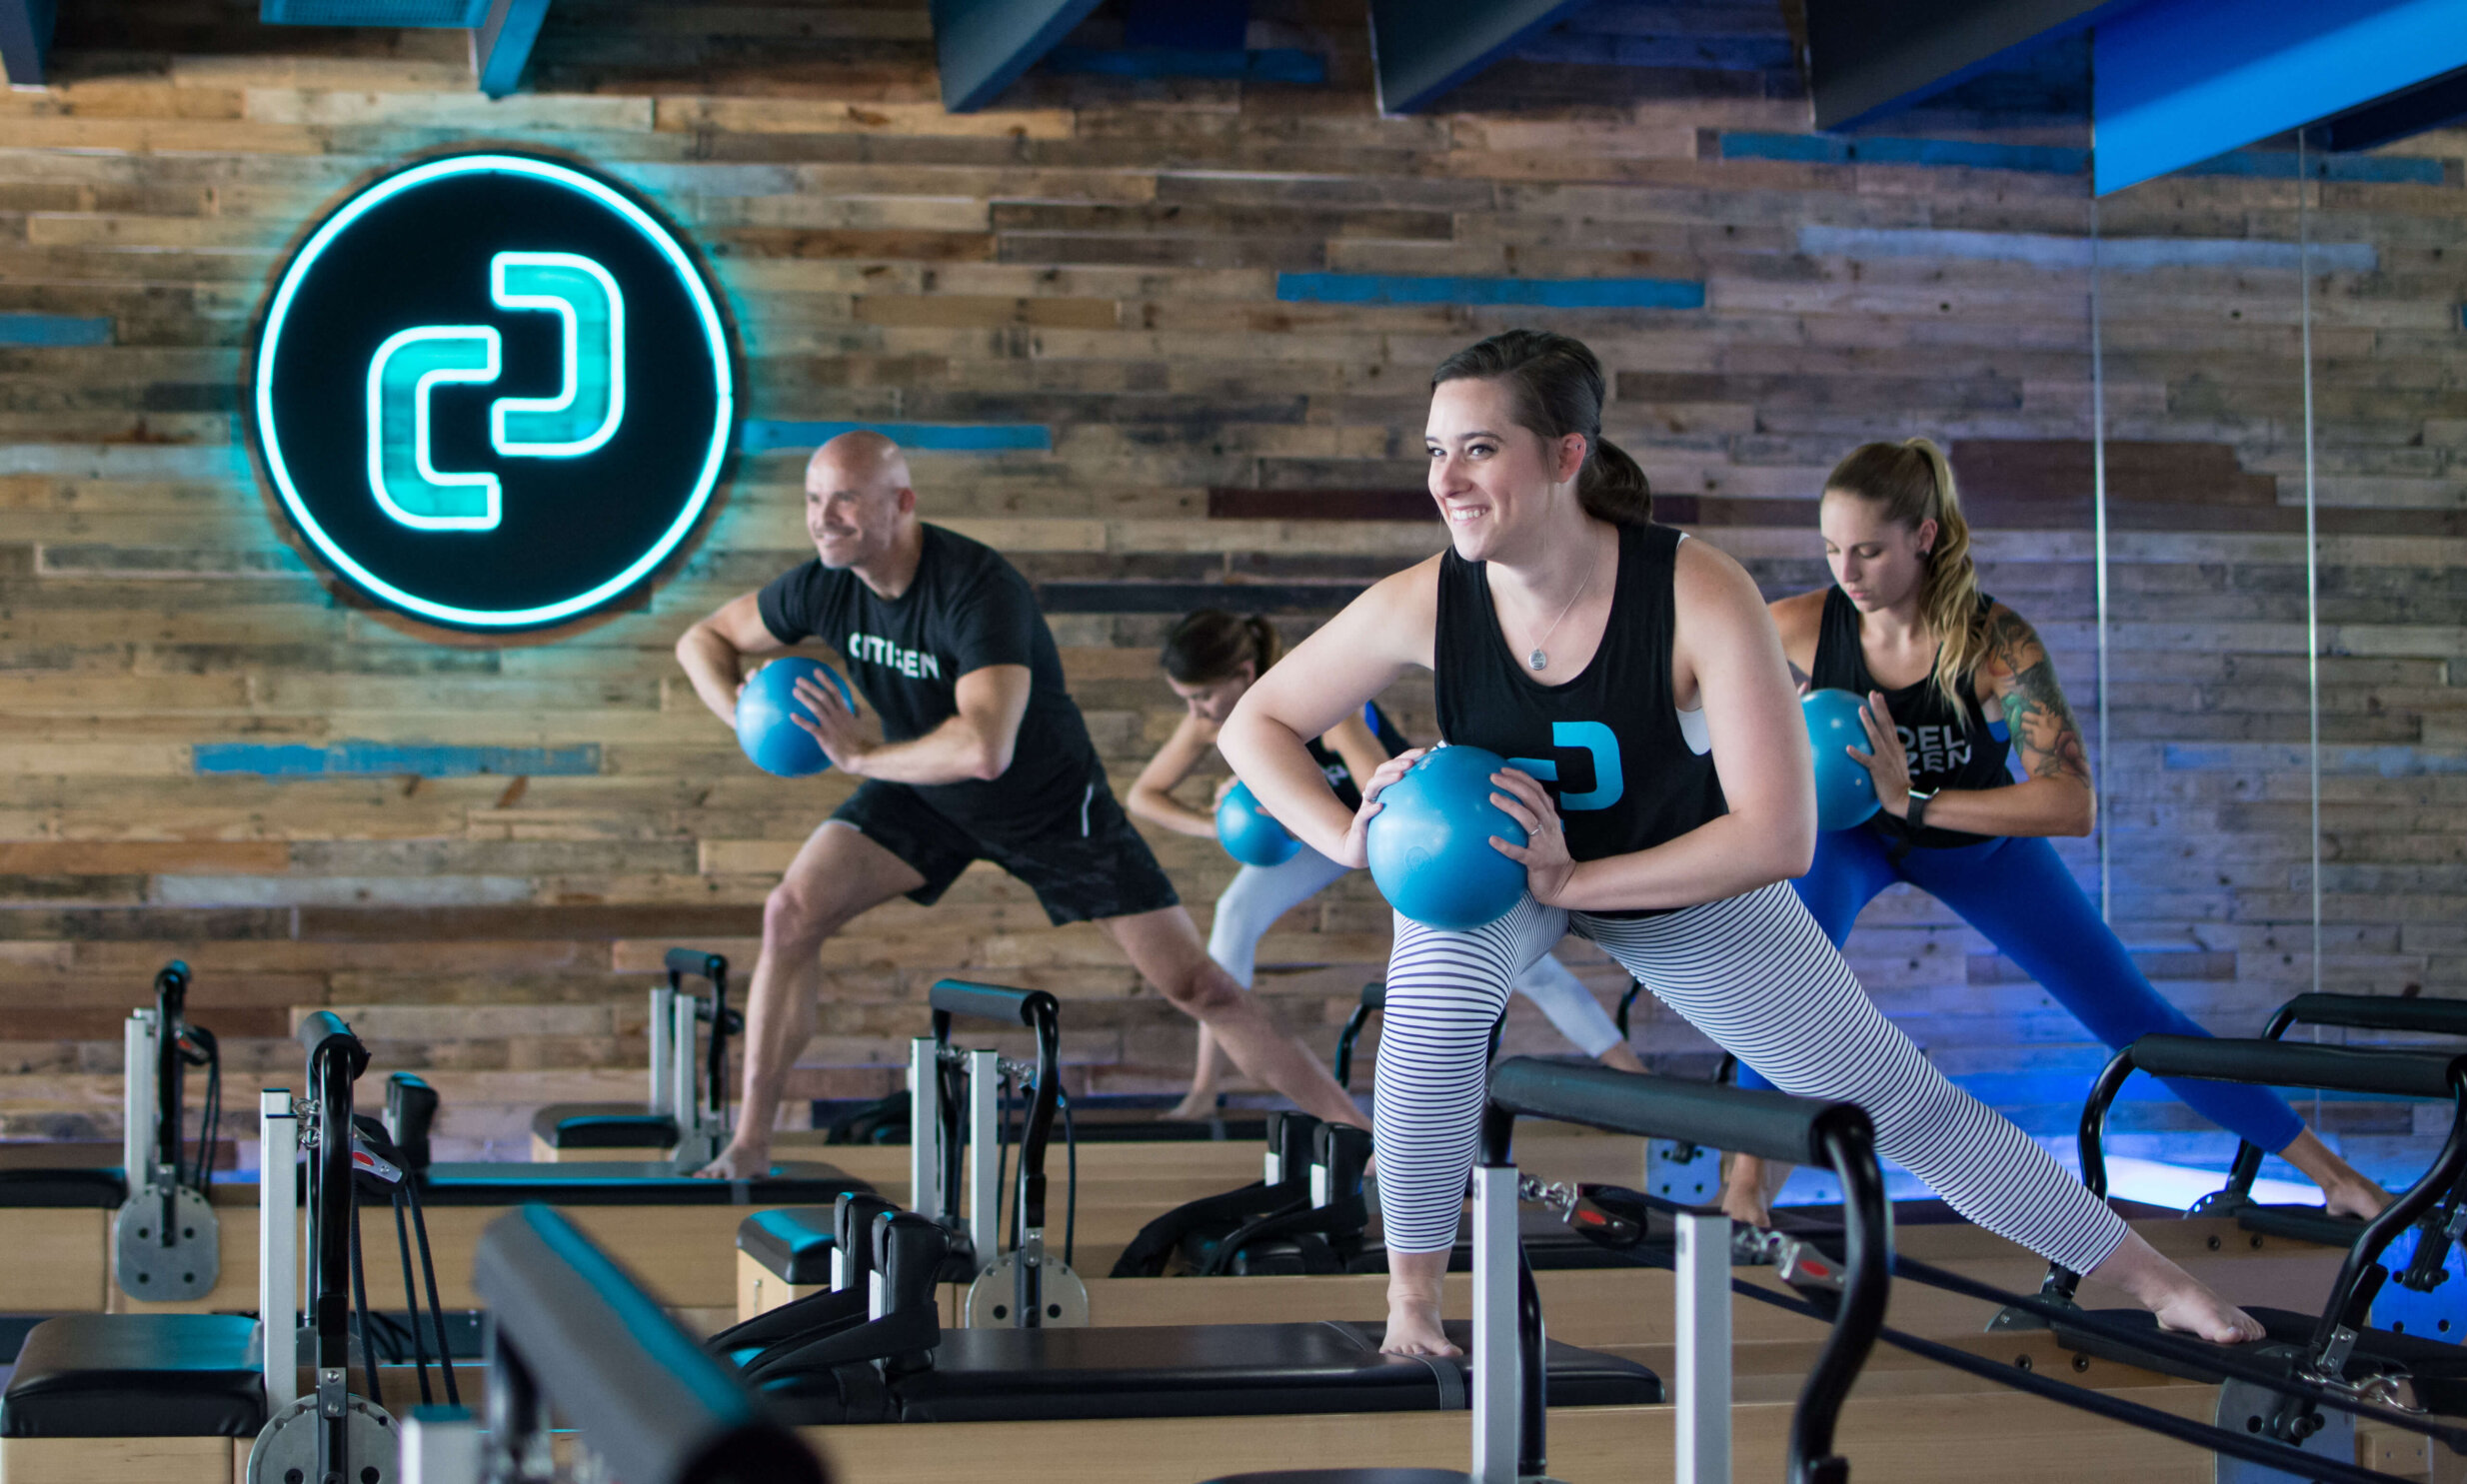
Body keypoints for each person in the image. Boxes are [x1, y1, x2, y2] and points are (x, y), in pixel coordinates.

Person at [1218, 328, 2263, 1356]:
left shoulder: (1692, 588)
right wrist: (1345, 837)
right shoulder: (1425, 598)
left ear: (1567, 454)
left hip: (1682, 873)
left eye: (1479, 448)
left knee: (1889, 1099)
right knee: (1427, 1033)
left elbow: (1779, 833)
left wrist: (1584, 873)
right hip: (1493, 875)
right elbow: (1253, 722)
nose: (1447, 479)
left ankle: (2150, 1279)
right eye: (1435, 451)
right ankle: (1411, 1309)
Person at [1712, 438, 2391, 1226]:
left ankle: (2333, 1174)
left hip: (1975, 844)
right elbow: (1690, 708)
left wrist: (1916, 802)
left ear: (1924, 537)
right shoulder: (1793, 626)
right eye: (1832, 550)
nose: (1848, 573)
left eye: (1868, 550)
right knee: (1780, 984)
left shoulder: (1995, 641)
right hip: (1851, 838)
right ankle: (1746, 1191)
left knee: (2132, 1015)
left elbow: (2071, 804)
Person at [674, 432, 1366, 1177]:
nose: (823, 517)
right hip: (925, 794)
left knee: (1198, 984)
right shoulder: (823, 585)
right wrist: (743, 711)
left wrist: (861, 757)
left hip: (1047, 805)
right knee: (790, 912)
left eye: (844, 498)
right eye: (814, 498)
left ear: (901, 504)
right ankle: (749, 1144)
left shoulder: (976, 588)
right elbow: (703, 639)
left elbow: (985, 748)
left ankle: (1364, 1140)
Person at [1128, 609, 1647, 1119]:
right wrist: (1216, 820)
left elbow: (1381, 791)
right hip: (1323, 834)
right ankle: (1205, 1085)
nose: (1196, 711)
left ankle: (1627, 1070)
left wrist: (1304, 814)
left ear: (1242, 675)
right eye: (1187, 700)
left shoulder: (1323, 707)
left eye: (1201, 696)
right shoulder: (1213, 721)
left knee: (1511, 951)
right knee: (1234, 911)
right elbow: (1144, 796)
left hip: (1404, 830)